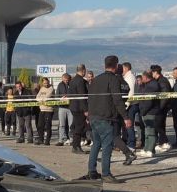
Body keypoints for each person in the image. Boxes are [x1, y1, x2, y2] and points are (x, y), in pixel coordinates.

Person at [86, 55, 133, 183]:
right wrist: (126, 117)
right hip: (105, 117)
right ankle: (106, 174)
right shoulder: (113, 80)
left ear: (104, 65)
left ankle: (92, 171)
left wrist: (89, 115)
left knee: (96, 144)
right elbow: (117, 99)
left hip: (94, 117)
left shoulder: (96, 80)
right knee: (107, 146)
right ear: (117, 66)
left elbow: (89, 98)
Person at [136, 71, 160, 158]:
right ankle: (146, 148)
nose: (141, 79)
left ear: (146, 77)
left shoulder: (151, 86)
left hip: (150, 112)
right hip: (146, 111)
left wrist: (143, 111)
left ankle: (150, 150)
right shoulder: (147, 85)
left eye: (142, 77)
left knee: (151, 132)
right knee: (147, 132)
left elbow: (148, 102)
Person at [68, 64, 89, 154]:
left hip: (73, 106)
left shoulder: (72, 81)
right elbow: (82, 96)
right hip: (79, 108)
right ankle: (76, 146)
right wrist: (86, 110)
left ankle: (75, 146)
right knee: (79, 127)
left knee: (77, 126)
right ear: (83, 70)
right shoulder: (81, 81)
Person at [150, 65, 171, 152]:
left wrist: (160, 108)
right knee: (160, 125)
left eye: (152, 72)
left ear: (155, 72)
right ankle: (162, 143)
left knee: (157, 125)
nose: (151, 74)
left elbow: (165, 96)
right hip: (159, 106)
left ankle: (165, 142)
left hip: (161, 107)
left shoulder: (163, 81)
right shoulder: (158, 80)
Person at [36, 78, 54, 145]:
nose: (46, 84)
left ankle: (47, 140)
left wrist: (41, 99)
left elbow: (47, 97)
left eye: (47, 83)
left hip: (48, 110)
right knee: (40, 125)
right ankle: (41, 139)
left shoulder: (51, 89)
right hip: (42, 109)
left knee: (48, 126)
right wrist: (41, 100)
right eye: (44, 83)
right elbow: (37, 97)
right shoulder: (42, 88)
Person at [55, 73, 72, 146]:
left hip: (70, 107)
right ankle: (60, 140)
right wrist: (61, 98)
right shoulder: (60, 85)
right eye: (64, 79)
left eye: (67, 80)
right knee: (61, 125)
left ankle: (71, 140)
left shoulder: (71, 84)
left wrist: (68, 96)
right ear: (62, 79)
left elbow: (73, 94)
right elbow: (57, 96)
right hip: (62, 107)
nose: (66, 81)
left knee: (71, 125)